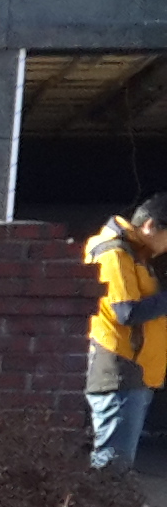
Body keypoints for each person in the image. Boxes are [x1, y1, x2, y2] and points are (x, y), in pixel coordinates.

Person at [83, 197, 166, 471]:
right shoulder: (114, 253)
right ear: (151, 225)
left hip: (134, 370)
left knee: (115, 464)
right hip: (121, 369)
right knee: (111, 466)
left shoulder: (136, 254)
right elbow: (126, 311)